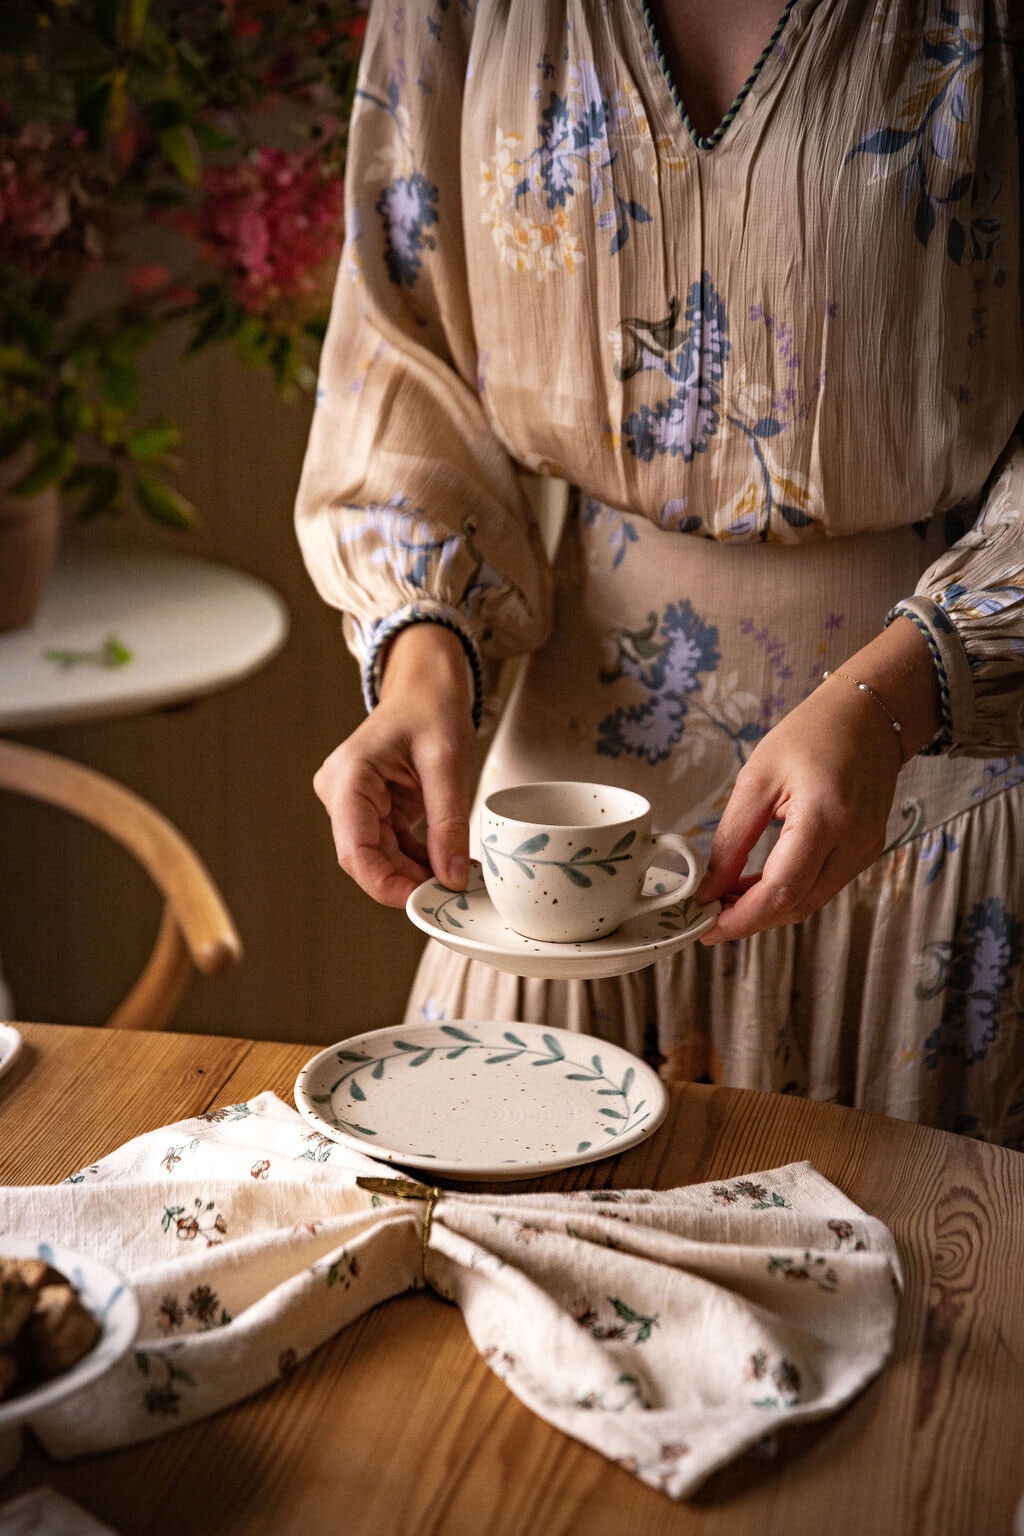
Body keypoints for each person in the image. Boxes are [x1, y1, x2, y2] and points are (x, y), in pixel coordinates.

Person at [295, 0, 1024, 1146]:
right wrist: (422, 674)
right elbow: (402, 347)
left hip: (936, 805)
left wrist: (895, 700)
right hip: (559, 835)